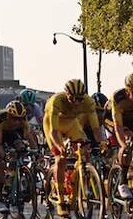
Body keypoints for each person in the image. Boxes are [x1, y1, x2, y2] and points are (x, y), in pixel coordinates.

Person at [43, 79, 104, 217]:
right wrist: (60, 146)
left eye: (80, 99)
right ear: (67, 95)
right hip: (54, 126)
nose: (77, 102)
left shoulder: (88, 102)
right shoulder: (56, 101)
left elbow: (95, 128)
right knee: (61, 158)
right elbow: (53, 132)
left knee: (85, 149)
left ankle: (80, 179)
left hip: (71, 124)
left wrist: (102, 143)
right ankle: (60, 199)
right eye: (73, 99)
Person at [0, 100, 38, 214]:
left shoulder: (22, 121)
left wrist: (36, 153)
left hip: (11, 132)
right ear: (8, 115)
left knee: (19, 148)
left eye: (20, 119)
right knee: (1, 162)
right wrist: (4, 156)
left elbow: (29, 137)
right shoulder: (0, 118)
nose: (17, 121)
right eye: (14, 118)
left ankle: (10, 186)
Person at [109, 74, 133, 198]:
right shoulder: (118, 97)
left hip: (131, 118)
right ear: (127, 91)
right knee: (127, 142)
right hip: (111, 119)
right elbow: (118, 127)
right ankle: (122, 182)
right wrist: (124, 144)